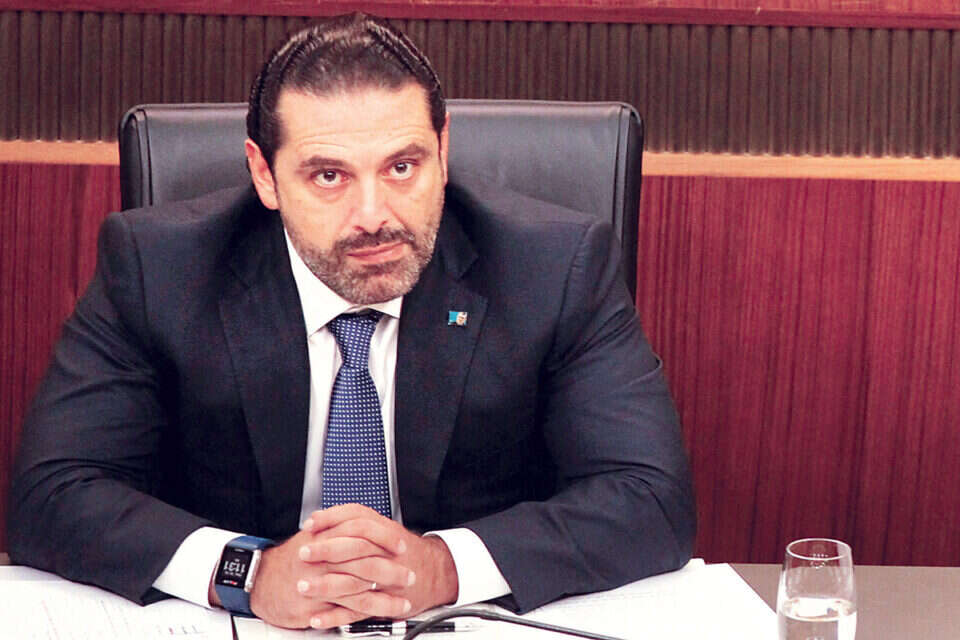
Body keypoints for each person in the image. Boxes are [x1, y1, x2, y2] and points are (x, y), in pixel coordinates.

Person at [7, 13, 695, 630]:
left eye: (402, 166)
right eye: (328, 176)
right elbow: (50, 493)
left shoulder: (555, 265)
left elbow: (650, 497)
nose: (373, 216)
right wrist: (249, 574)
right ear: (265, 176)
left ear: (443, 152)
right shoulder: (157, 267)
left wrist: (443, 568)